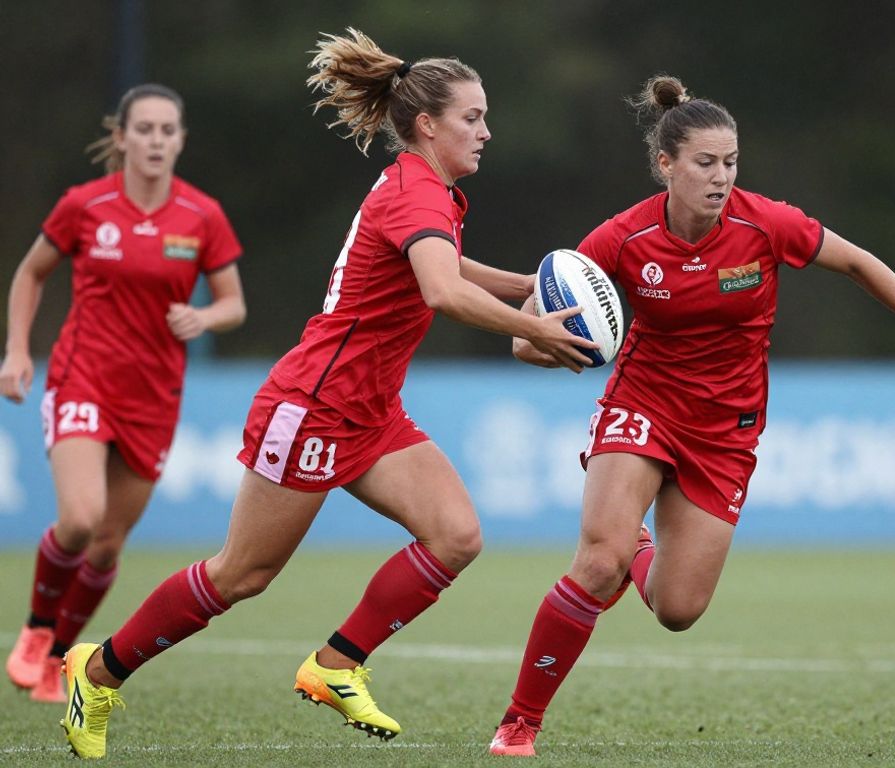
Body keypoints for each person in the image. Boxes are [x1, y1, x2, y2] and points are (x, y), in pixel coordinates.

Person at [56, 28, 594, 760]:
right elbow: (442, 290)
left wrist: (532, 285)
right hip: (312, 405)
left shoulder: (429, 193)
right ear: (428, 125)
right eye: (474, 116)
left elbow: (449, 266)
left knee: (456, 536)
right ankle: (98, 669)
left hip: (369, 411)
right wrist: (542, 327)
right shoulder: (415, 190)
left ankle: (337, 663)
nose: (486, 130)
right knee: (242, 574)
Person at [487, 74, 895, 757]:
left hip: (726, 432)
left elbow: (858, 263)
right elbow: (524, 338)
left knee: (677, 610)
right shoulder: (621, 238)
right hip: (642, 405)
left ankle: (637, 549)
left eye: (730, 163)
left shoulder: (766, 223)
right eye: (705, 163)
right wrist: (559, 347)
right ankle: (520, 723)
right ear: (666, 165)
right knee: (597, 562)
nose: (720, 177)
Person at [2, 84, 246, 705]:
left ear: (181, 140)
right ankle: (35, 630)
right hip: (83, 376)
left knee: (108, 542)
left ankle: (59, 656)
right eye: (146, 129)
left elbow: (233, 304)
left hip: (153, 396)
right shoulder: (85, 206)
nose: (157, 141)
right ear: (122, 137)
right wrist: (15, 350)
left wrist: (205, 319)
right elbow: (31, 273)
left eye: (169, 130)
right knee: (80, 520)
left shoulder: (202, 216)